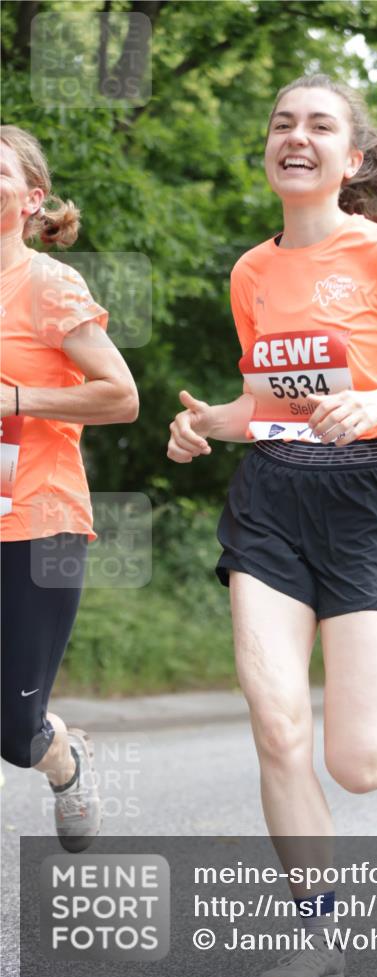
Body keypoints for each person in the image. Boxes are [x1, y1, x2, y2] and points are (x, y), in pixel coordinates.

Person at [168, 74, 377, 977]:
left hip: (363, 502)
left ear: (351, 161)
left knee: (353, 760)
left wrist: (376, 399)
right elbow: (265, 409)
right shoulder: (250, 272)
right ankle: (319, 940)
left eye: (318, 126)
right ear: (268, 151)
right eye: (280, 123)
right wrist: (205, 426)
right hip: (269, 500)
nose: (294, 137)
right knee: (275, 724)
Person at [0, 126, 139, 851]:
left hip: (36, 520)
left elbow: (121, 396)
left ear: (33, 199)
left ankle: (62, 756)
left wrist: (15, 400)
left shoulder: (48, 285)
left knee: (12, 732)